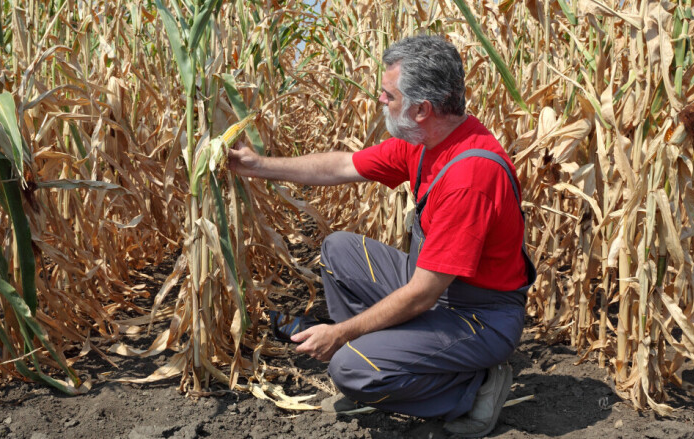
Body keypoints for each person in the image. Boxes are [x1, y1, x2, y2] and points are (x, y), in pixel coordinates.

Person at [228, 35, 536, 437]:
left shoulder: (469, 177)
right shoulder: (428, 143)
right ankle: (388, 361)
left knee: (349, 367)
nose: (380, 100)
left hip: (479, 316)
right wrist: (256, 165)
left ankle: (472, 387)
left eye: (389, 95)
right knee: (338, 250)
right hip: (443, 291)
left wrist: (340, 335)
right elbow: (341, 166)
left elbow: (423, 294)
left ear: (422, 109)